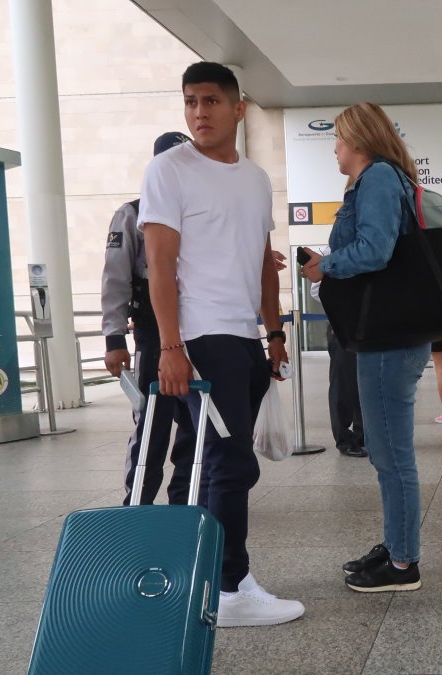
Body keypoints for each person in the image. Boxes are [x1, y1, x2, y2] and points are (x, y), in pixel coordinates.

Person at [139, 61, 304, 627]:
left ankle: (205, 576)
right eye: (190, 102)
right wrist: (169, 347)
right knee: (231, 464)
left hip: (243, 340)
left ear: (238, 107)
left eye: (210, 101)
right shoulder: (169, 170)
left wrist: (273, 332)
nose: (198, 112)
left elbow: (262, 261)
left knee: (216, 464)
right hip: (200, 338)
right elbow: (160, 266)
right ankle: (230, 589)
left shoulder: (255, 178)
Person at [301, 102, 430, 593]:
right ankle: (397, 547)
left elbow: (375, 250)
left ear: (357, 140)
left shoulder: (377, 177)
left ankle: (403, 565)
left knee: (392, 455)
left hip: (387, 340)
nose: (334, 148)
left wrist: (325, 266)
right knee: (387, 452)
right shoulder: (386, 179)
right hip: (391, 336)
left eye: (337, 138)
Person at [102, 131, 196, 507]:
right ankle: (138, 503)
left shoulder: (198, 211)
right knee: (153, 423)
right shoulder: (133, 214)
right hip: (154, 331)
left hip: (198, 326)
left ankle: (184, 501)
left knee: (194, 421)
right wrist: (113, 339)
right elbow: (115, 278)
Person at [309, 251, 367, 458]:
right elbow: (316, 289)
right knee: (343, 383)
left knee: (366, 383)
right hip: (342, 324)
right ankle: (344, 438)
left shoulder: (371, 249)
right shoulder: (332, 252)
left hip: (369, 325)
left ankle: (363, 436)